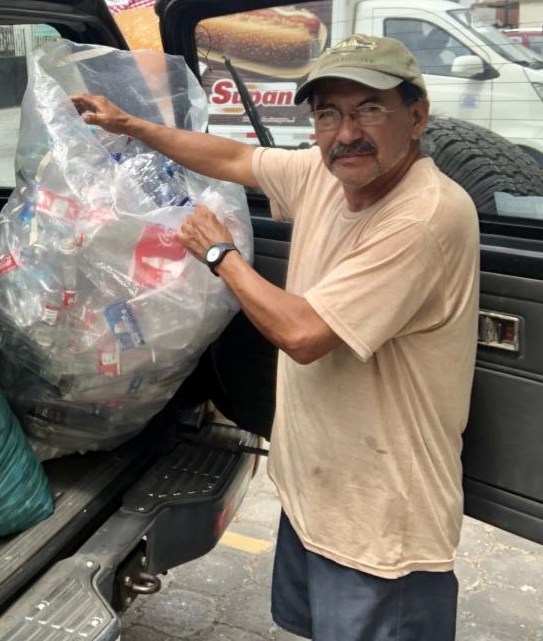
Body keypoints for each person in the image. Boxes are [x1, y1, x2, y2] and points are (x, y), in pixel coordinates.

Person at [74, 34, 479, 641]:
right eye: (327, 113)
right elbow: (233, 160)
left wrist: (220, 254)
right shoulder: (327, 174)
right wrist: (133, 125)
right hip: (321, 493)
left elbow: (304, 332)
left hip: (380, 519)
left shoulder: (424, 216)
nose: (345, 132)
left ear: (416, 117)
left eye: (369, 109)